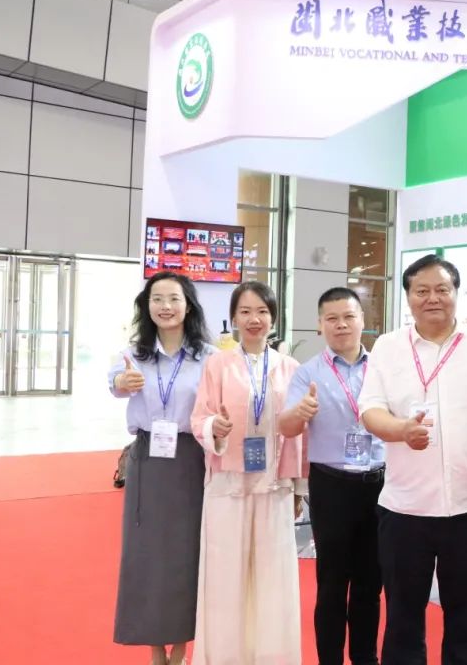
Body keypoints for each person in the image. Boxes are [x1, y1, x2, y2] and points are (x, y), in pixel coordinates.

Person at [358, 254, 467, 665]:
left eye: (442, 289)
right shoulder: (389, 347)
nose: (433, 298)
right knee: (403, 618)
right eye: (422, 291)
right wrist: (400, 430)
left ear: (456, 293)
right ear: (408, 297)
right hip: (406, 508)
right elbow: (369, 410)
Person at [190, 280, 306, 665]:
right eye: (245, 312)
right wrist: (216, 428)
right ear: (234, 318)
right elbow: (199, 418)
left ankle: (272, 656)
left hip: (275, 484)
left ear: (273, 318)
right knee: (225, 575)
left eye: (262, 311)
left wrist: (298, 489)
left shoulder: (290, 368)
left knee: (273, 577)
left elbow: (300, 430)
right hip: (228, 484)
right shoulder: (217, 365)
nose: (254, 319)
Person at [109, 271, 214, 665]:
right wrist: (123, 381)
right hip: (148, 459)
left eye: (173, 298)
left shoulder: (209, 357)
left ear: (188, 306)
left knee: (188, 551)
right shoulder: (133, 354)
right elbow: (115, 384)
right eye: (157, 299)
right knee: (146, 552)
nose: (165, 306)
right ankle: (155, 649)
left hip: (192, 459)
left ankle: (182, 647)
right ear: (146, 306)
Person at [279, 287, 384, 665]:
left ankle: (365, 658)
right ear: (320, 325)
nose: (341, 325)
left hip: (379, 485)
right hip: (331, 487)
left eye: (349, 317)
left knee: (371, 583)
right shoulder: (308, 372)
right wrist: (300, 412)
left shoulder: (383, 368)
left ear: (362, 321)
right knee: (332, 584)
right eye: (332, 319)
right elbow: (286, 426)